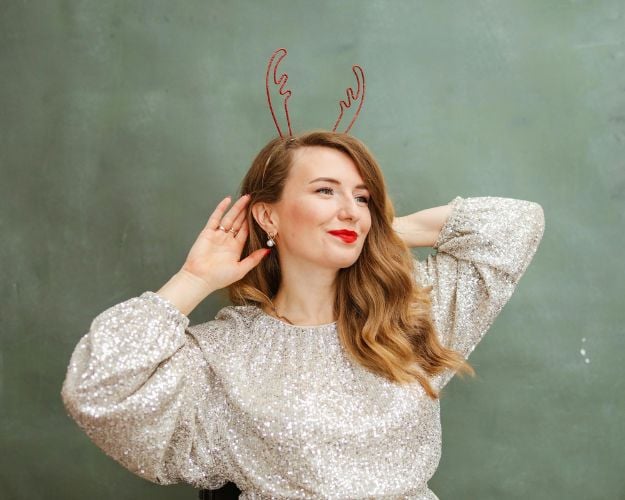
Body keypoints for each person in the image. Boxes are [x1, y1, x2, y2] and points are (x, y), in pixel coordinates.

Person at [61, 130, 545, 499]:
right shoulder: (222, 355)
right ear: (268, 215)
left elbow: (515, 224)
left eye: (361, 197)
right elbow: (98, 386)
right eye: (325, 191)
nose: (351, 209)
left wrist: (373, 231)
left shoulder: (409, 315)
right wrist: (195, 277)